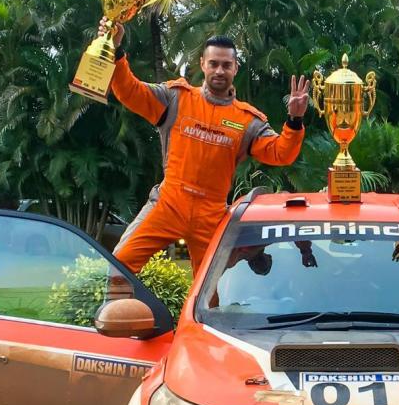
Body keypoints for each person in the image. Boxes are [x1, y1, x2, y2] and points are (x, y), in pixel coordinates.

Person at [103, 21, 309, 275]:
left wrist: (295, 120)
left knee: (211, 293)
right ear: (202, 64)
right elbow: (128, 91)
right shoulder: (176, 98)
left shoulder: (248, 120)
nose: (219, 70)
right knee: (118, 266)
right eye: (214, 64)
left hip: (211, 215)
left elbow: (281, 153)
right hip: (169, 204)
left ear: (236, 67)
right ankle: (115, 314)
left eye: (226, 65)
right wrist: (115, 50)